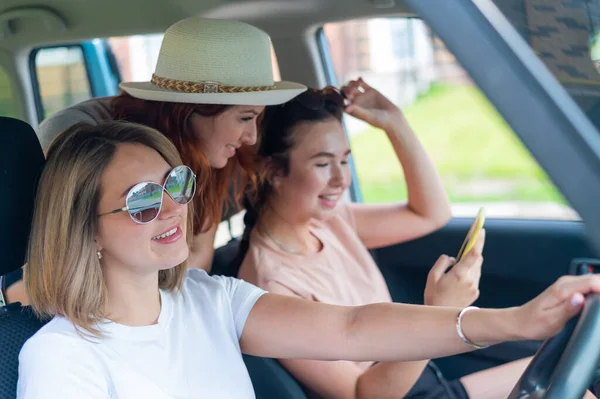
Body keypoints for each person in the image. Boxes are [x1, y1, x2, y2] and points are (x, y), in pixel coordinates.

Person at [17, 120, 600, 399]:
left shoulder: (208, 298)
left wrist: (519, 320)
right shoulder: (62, 358)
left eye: (174, 183)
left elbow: (352, 327)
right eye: (142, 201)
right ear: (84, 231)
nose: (171, 209)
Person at [237, 79, 595, 399]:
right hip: (397, 390)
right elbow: (364, 393)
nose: (341, 180)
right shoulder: (270, 284)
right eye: (322, 163)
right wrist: (437, 311)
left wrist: (394, 121)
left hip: (426, 374)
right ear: (272, 171)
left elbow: (431, 213)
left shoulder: (331, 221)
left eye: (345, 161)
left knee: (572, 371)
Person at [2, 16, 307, 305]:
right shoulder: (85, 144)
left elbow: (197, 250)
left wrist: (174, 313)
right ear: (194, 110)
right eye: (245, 117)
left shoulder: (209, 150)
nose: (251, 137)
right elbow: (48, 267)